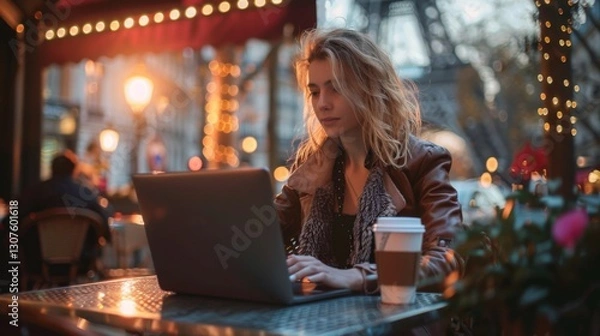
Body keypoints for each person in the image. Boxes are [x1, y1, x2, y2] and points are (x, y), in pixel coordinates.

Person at [275, 28, 464, 297]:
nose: (323, 104)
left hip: (395, 322)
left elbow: (448, 260)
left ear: (369, 89)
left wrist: (357, 276)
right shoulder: (312, 169)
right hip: (320, 319)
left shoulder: (422, 161)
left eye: (336, 88)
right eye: (314, 92)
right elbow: (259, 239)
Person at [17, 152, 113, 286]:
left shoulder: (33, 193)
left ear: (51, 169)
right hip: (80, 262)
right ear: (74, 170)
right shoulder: (87, 194)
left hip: (37, 261)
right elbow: (105, 229)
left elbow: (11, 223)